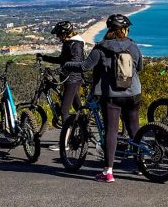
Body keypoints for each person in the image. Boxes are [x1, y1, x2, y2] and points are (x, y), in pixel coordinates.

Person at [63, 14, 143, 183]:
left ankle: (108, 171)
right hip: (133, 93)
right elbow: (140, 67)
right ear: (124, 30)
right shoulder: (133, 46)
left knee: (111, 131)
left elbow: (85, 66)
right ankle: (140, 165)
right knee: (134, 129)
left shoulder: (101, 48)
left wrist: (68, 64)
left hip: (111, 96)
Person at [38, 21, 84, 151]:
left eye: (59, 34)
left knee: (64, 110)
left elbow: (76, 62)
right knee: (78, 107)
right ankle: (83, 131)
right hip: (69, 78)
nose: (58, 37)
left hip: (72, 79)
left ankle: (65, 142)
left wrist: (61, 69)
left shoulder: (76, 44)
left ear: (65, 33)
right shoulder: (69, 43)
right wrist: (45, 57)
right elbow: (62, 60)